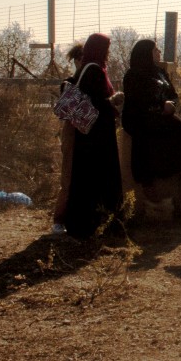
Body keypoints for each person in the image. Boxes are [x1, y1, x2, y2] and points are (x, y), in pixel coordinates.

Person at [64, 33, 125, 240]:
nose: (108, 52)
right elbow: (98, 104)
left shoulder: (87, 69)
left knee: (85, 178)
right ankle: (101, 223)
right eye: (106, 48)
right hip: (97, 137)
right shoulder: (95, 71)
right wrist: (114, 100)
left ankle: (85, 223)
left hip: (87, 135)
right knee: (99, 177)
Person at [122, 39, 181, 200]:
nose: (159, 53)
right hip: (142, 119)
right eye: (155, 50)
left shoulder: (160, 72)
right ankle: (148, 187)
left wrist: (170, 104)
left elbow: (173, 94)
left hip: (165, 116)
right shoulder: (133, 74)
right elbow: (137, 100)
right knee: (145, 144)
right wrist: (161, 105)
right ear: (146, 53)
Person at [52, 43, 84, 234]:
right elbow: (69, 114)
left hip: (83, 136)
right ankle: (59, 219)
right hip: (72, 135)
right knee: (68, 178)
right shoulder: (69, 83)